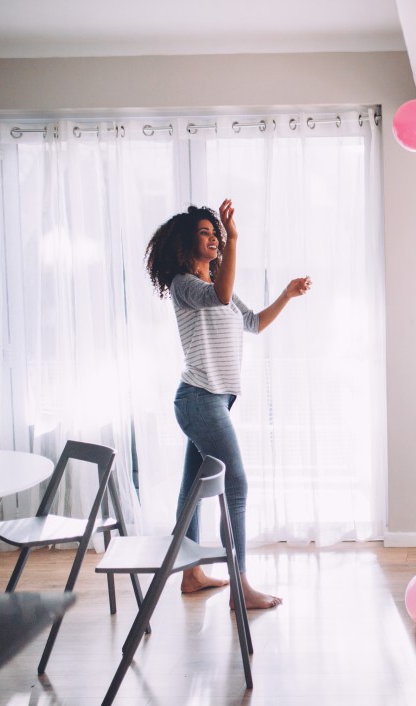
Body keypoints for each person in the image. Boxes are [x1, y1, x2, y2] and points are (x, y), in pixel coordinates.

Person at [145, 199, 311, 609]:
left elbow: (253, 322)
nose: (215, 237)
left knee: (192, 491)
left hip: (211, 401)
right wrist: (235, 238)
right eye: (206, 232)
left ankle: (192, 575)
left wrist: (287, 295)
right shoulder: (185, 284)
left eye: (216, 232)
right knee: (235, 485)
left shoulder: (221, 289)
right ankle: (241, 587)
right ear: (187, 243)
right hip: (200, 401)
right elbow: (218, 298)